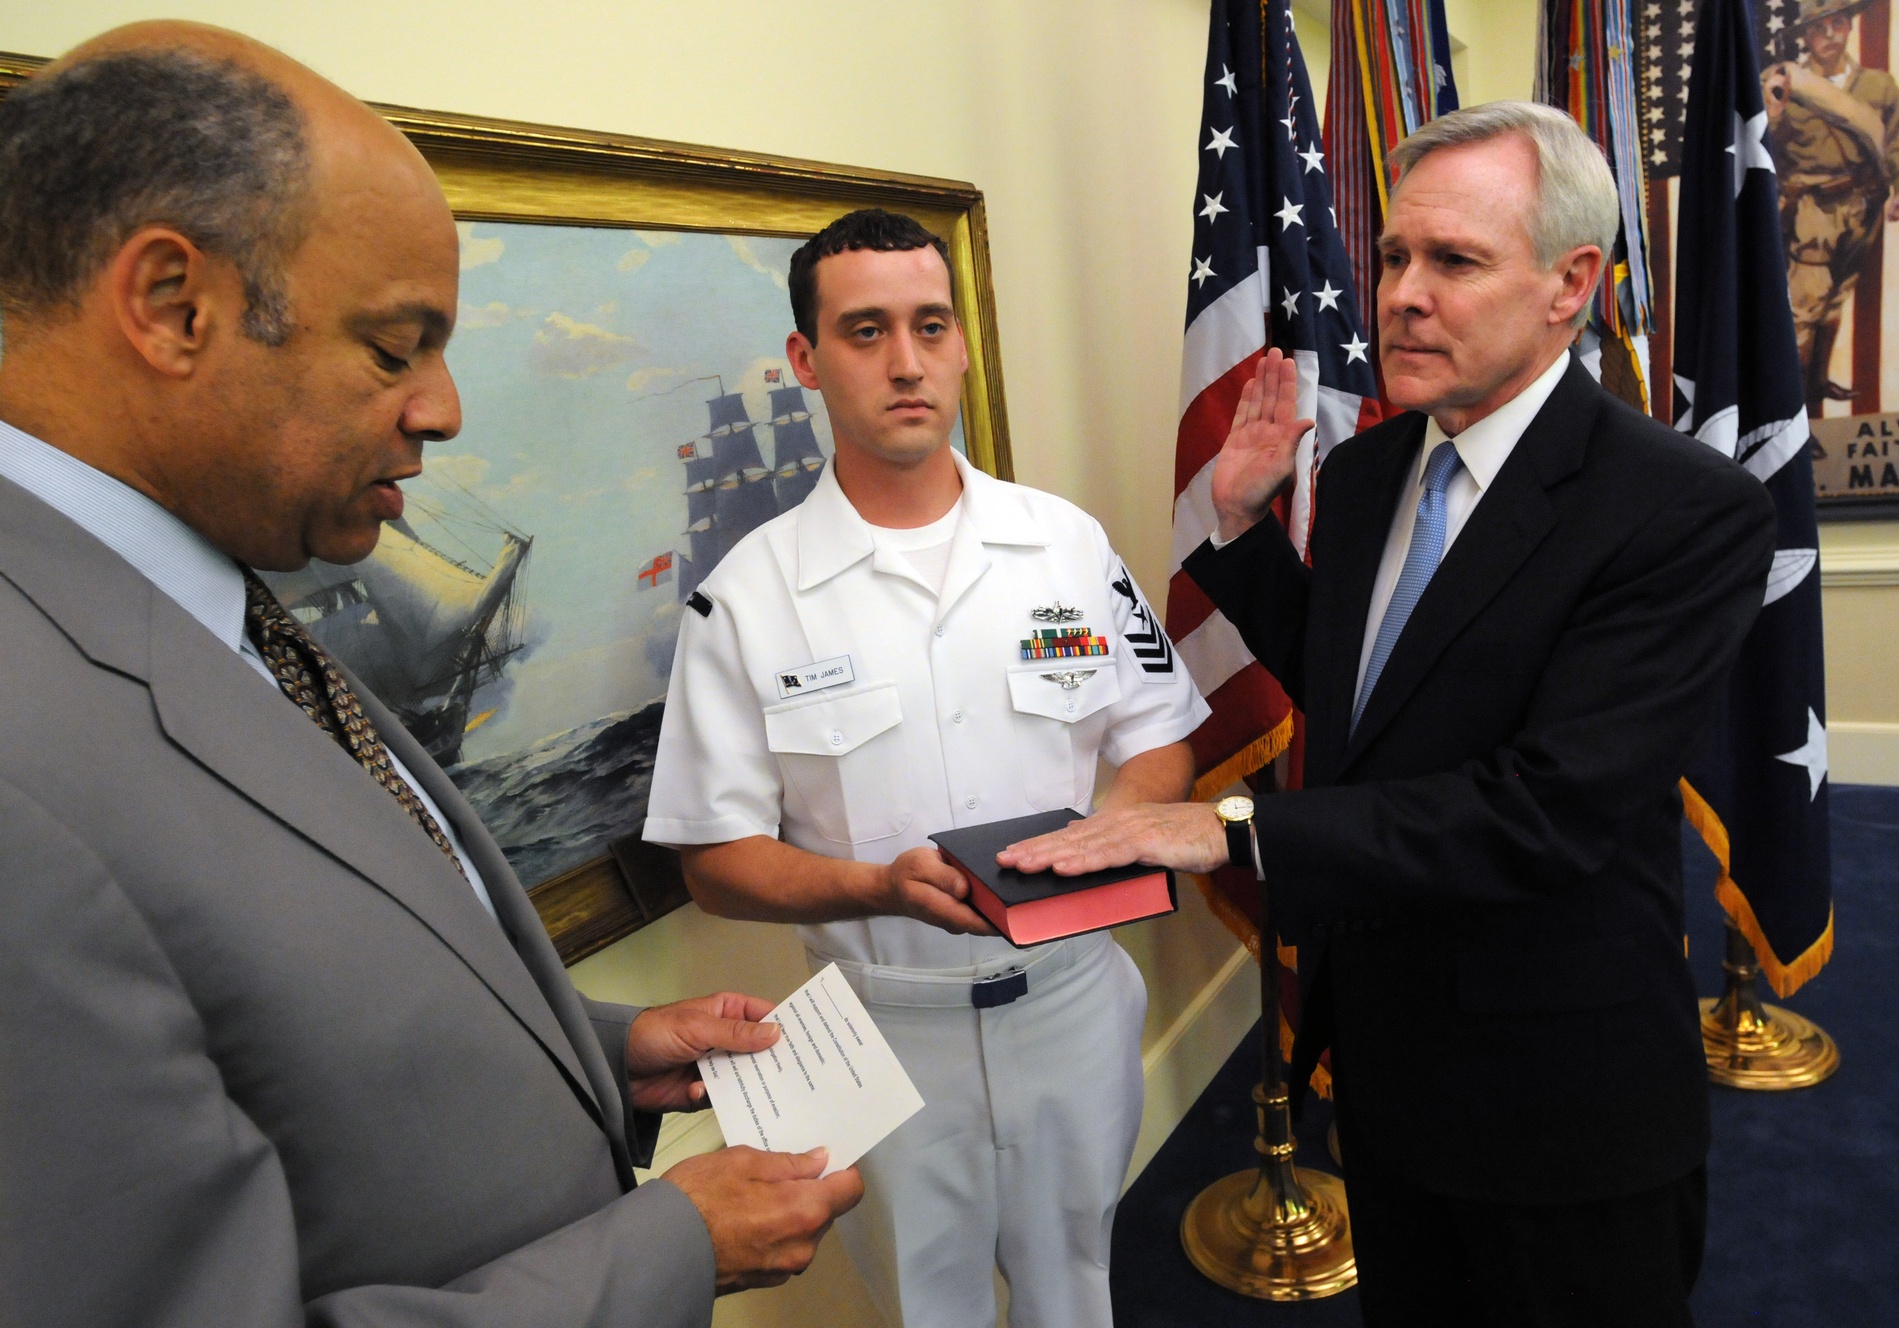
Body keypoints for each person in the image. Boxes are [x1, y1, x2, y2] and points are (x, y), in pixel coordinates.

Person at [0, 24, 861, 1328]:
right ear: (175, 307)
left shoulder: (223, 594)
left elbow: (303, 992)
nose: (446, 409)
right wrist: (668, 1249)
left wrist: (602, 1050)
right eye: (397, 347)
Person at [1000, 102, 1777, 1327]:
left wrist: (1231, 830)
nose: (1401, 294)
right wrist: (1248, 530)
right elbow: (1373, 698)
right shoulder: (1365, 469)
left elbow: (1545, 809)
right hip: (1385, 1061)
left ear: (1568, 283)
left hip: (1556, 1098)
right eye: (1395, 257)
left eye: (1453, 263)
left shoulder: (1677, 509)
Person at [643, 208, 1208, 1328]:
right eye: (863, 331)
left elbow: (1158, 736)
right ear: (806, 359)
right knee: (923, 1305)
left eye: (928, 324)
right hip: (882, 1026)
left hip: (1070, 1000)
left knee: (1077, 1286)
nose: (905, 362)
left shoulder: (1065, 544)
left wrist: (1101, 833)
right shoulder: (745, 596)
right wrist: (871, 885)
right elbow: (714, 859)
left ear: (959, 341)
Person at [1761, 0, 1899, 409]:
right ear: (1804, 37)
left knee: (1834, 303)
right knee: (1805, 309)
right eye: (1818, 28)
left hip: (1862, 205)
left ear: (1849, 28)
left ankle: (1816, 381)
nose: (1829, 35)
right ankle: (1794, 411)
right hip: (1813, 210)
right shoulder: (1783, 83)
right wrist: (1772, 112)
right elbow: (1758, 148)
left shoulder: (1878, 86)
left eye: (1838, 24)